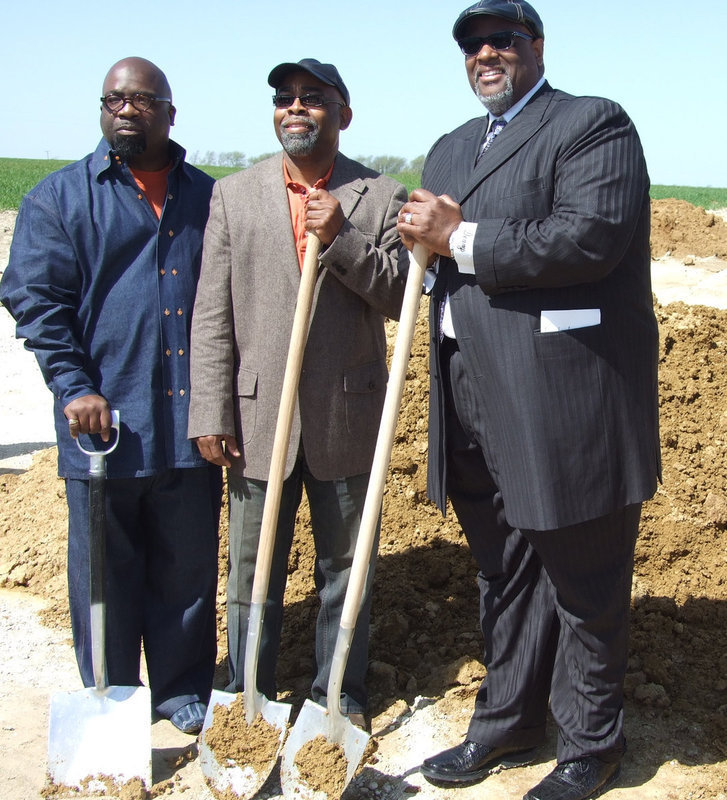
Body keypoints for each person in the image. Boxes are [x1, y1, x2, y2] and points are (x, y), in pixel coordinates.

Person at [397, 2, 661, 798]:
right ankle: (509, 721)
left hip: (561, 392)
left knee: (584, 577)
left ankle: (590, 745)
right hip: (468, 385)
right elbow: (431, 255)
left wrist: (458, 239)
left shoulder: (590, 125)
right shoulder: (450, 146)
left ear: (535, 46)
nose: (485, 54)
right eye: (471, 45)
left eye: (501, 40)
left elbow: (588, 237)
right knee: (504, 569)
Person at [0, 57, 222, 736]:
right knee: (105, 574)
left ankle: (180, 691)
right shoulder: (60, 198)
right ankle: (113, 694)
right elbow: (36, 301)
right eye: (113, 100)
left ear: (170, 113)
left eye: (142, 100)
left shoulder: (208, 198)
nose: (125, 109)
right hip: (104, 426)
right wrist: (75, 386)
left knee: (186, 571)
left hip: (191, 423)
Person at [188, 59, 406, 729]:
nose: (295, 108)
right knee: (250, 567)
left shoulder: (380, 196)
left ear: (343, 115)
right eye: (284, 98)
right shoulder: (235, 196)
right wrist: (211, 409)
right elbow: (213, 313)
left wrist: (340, 237)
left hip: (347, 414)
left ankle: (338, 695)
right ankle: (246, 692)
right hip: (257, 420)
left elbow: (399, 294)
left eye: (312, 98)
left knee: (345, 567)